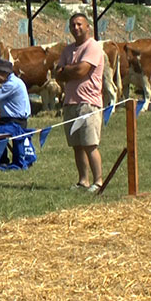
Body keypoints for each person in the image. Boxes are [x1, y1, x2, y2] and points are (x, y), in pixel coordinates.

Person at [55, 13, 105, 193]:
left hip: (88, 103)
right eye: (73, 25)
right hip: (70, 102)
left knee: (90, 144)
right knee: (76, 145)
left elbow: (81, 71)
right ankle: (83, 181)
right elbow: (57, 74)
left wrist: (67, 70)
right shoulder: (67, 50)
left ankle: (98, 181)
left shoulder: (93, 47)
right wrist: (70, 70)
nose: (76, 28)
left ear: (87, 26)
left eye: (79, 24)